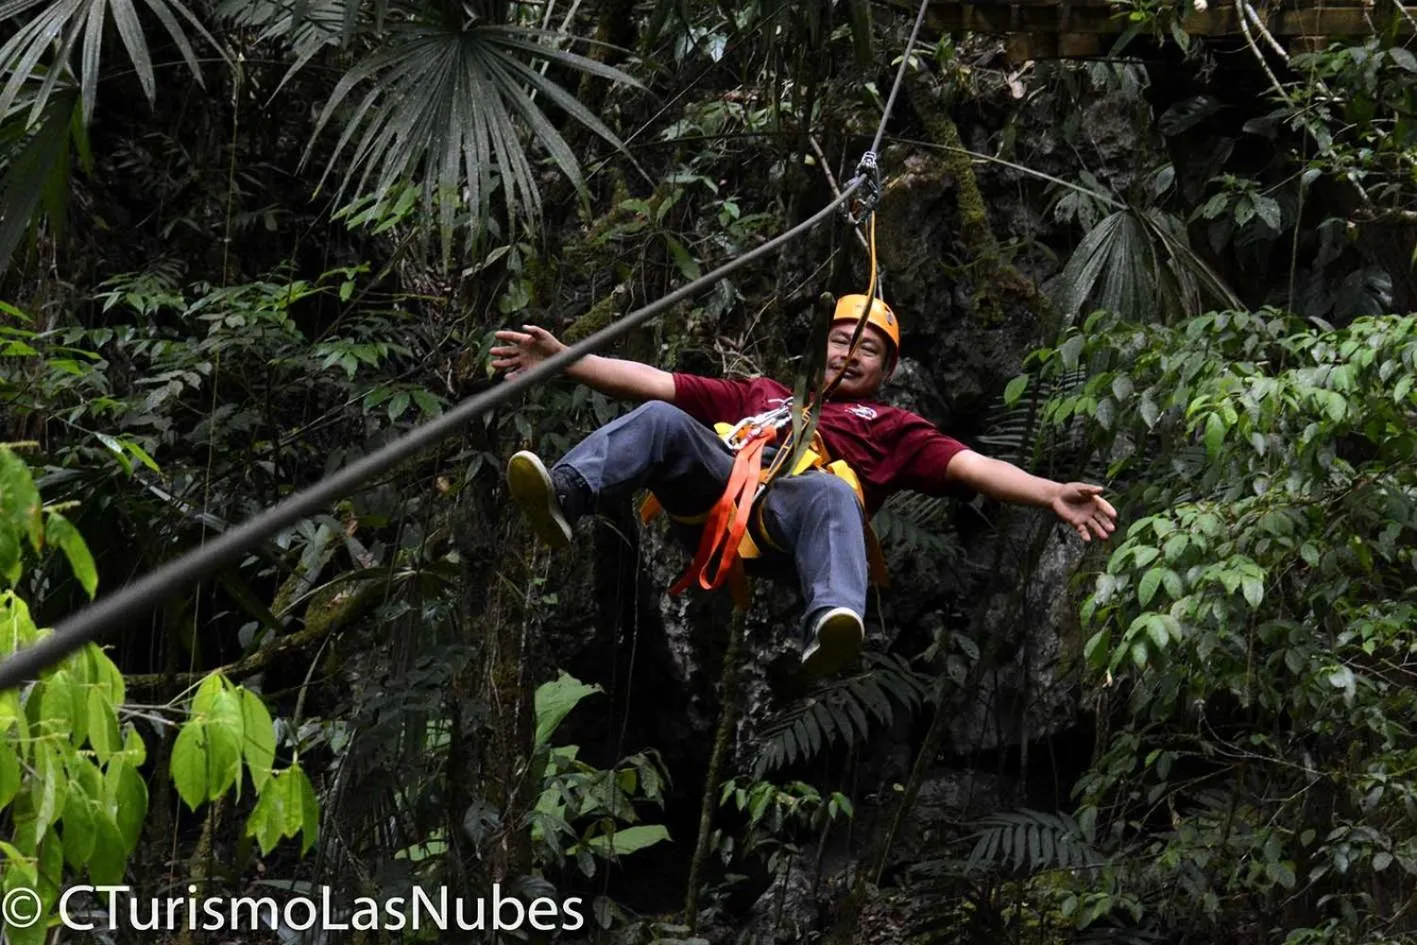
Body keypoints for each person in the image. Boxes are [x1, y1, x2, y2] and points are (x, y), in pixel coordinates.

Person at [490, 295, 1117, 677]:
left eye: (868, 348)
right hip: (714, 500)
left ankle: (832, 621)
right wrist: (565, 358)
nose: (852, 351)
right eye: (842, 338)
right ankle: (567, 494)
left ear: (886, 369)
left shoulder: (892, 427)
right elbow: (654, 381)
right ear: (821, 346)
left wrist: (1048, 491)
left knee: (832, 492)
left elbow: (975, 468)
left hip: (783, 525)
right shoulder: (763, 395)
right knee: (661, 420)